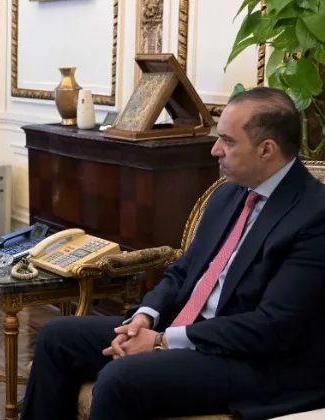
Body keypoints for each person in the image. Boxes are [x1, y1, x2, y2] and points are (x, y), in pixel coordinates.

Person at [20, 87, 325, 420]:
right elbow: (183, 270)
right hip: (188, 329)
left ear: (267, 149)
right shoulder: (230, 194)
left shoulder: (314, 215)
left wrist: (161, 341)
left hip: (253, 360)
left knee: (119, 380)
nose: (215, 150)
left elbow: (272, 327)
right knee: (56, 337)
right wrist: (144, 317)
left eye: (227, 141)